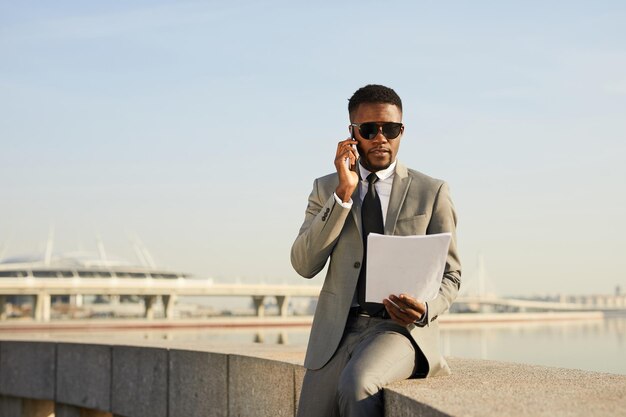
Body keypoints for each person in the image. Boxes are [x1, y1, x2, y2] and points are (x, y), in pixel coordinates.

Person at [291, 84, 461, 417]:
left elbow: (452, 273)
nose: (381, 138)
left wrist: (425, 308)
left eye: (391, 129)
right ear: (352, 134)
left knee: (358, 385)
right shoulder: (326, 187)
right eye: (369, 130)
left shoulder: (432, 191)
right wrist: (343, 194)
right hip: (335, 332)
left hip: (399, 330)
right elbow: (303, 264)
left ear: (402, 131)